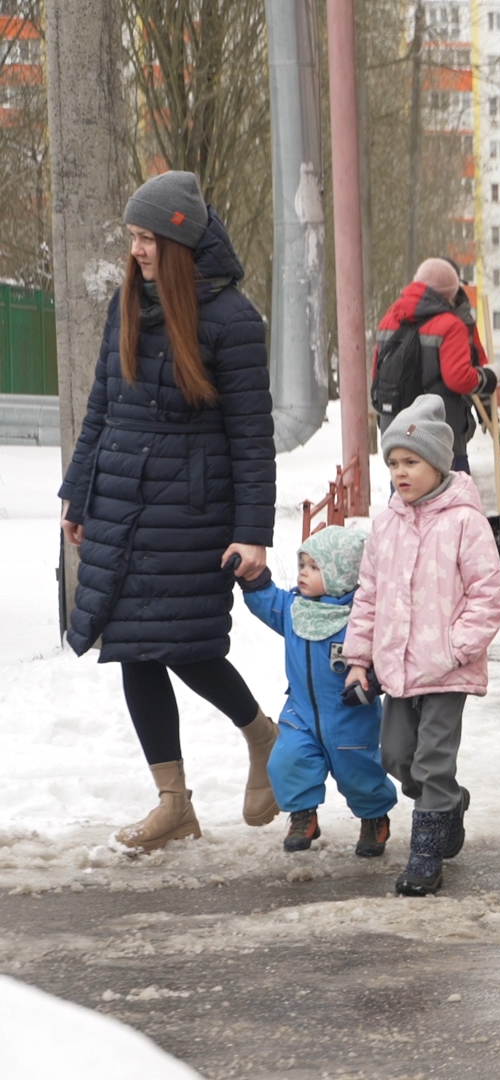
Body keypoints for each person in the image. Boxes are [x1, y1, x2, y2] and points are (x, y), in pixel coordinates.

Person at [57, 170, 280, 853]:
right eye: (133, 238)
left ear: (180, 242)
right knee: (132, 649)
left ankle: (259, 734)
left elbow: (251, 436)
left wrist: (253, 535)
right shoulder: (126, 303)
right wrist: (78, 490)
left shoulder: (233, 321)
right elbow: (101, 404)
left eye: (148, 238)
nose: (139, 251)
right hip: (121, 499)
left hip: (190, 509)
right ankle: (173, 801)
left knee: (186, 646)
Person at [343, 394, 500, 896]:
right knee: (397, 757)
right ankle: (448, 803)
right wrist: (358, 657)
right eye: (393, 463)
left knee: (433, 759)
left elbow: (489, 594)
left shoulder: (464, 522)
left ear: (437, 463)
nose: (400, 472)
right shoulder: (386, 524)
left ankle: (425, 855)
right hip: (398, 669)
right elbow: (368, 593)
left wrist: (457, 647)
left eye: (411, 461)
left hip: (447, 669)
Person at [238, 526, 398, 857]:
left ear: (343, 572)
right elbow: (266, 600)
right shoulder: (295, 610)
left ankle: (374, 818)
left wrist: (373, 679)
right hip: (301, 713)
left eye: (315, 568)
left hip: (350, 716)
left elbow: (387, 651)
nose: (304, 575)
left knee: (359, 772)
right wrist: (252, 578)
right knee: (287, 760)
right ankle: (302, 815)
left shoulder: (361, 618)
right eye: (302, 566)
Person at [373, 258, 497, 473]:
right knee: (451, 501)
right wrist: (489, 378)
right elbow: (459, 378)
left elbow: (377, 374)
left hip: (398, 433)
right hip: (440, 435)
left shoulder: (388, 320)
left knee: (404, 500)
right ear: (450, 293)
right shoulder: (451, 325)